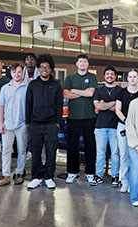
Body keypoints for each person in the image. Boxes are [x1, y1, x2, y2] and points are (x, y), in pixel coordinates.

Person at [26, 54, 63, 189]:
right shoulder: (33, 85)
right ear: (38, 68)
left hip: (51, 125)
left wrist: (57, 123)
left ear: (51, 69)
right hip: (35, 124)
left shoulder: (56, 85)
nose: (44, 69)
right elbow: (28, 104)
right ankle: (36, 177)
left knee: (51, 152)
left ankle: (48, 177)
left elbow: (60, 105)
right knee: (35, 152)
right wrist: (28, 122)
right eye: (42, 67)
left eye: (47, 67)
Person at [63, 54, 97, 184]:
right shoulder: (70, 77)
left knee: (90, 146)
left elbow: (91, 93)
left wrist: (75, 91)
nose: (82, 63)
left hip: (89, 117)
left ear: (87, 64)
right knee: (72, 146)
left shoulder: (92, 77)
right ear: (76, 64)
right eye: (80, 61)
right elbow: (65, 94)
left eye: (85, 61)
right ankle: (72, 172)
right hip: (73, 117)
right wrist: (84, 92)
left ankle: (90, 173)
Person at [0, 63, 28, 186]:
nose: (17, 74)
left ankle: (19, 173)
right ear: (10, 73)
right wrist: (1, 123)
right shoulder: (5, 88)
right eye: (14, 72)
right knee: (6, 150)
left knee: (22, 150)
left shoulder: (27, 87)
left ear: (22, 73)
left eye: (19, 72)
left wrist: (27, 122)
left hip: (22, 124)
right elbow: (1, 106)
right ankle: (6, 175)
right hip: (7, 124)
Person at [90, 66, 122, 187]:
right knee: (100, 153)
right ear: (104, 76)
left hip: (115, 126)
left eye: (112, 74)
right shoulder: (99, 90)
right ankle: (98, 175)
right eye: (107, 74)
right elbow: (98, 107)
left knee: (115, 153)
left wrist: (105, 104)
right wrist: (113, 103)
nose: (109, 76)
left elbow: (119, 109)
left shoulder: (120, 91)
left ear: (115, 76)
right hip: (100, 126)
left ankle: (115, 176)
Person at [115, 69, 138, 193]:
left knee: (134, 156)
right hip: (123, 126)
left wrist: (134, 124)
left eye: (134, 76)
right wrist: (126, 121)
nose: (132, 79)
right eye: (130, 77)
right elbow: (117, 110)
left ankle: (133, 182)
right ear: (127, 78)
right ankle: (124, 181)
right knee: (124, 155)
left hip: (137, 128)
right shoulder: (121, 92)